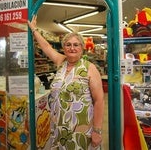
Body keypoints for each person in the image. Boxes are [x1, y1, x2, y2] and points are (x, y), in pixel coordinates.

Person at [28, 15, 105, 149]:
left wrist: (97, 131)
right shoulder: (61, 62)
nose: (72, 48)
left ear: (82, 48)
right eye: (68, 45)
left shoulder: (89, 68)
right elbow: (46, 47)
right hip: (59, 127)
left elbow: (99, 101)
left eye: (76, 45)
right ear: (63, 47)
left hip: (81, 129)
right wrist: (34, 30)